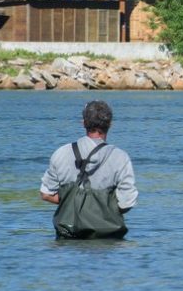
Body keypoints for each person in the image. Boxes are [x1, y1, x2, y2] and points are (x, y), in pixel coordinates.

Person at [40, 100, 137, 238]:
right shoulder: (121, 158)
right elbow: (127, 203)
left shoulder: (61, 153)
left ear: (84, 123)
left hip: (68, 239)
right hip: (109, 239)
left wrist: (76, 205)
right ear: (110, 124)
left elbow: (46, 194)